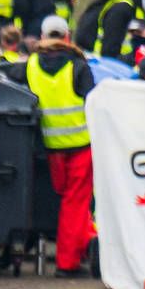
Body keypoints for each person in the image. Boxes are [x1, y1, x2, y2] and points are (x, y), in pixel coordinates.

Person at [25, 19, 96, 271]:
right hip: (81, 145)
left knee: (67, 203)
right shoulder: (78, 66)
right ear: (67, 36)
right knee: (75, 204)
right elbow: (94, 102)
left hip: (51, 148)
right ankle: (68, 262)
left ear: (43, 36)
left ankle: (88, 241)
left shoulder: (30, 65)